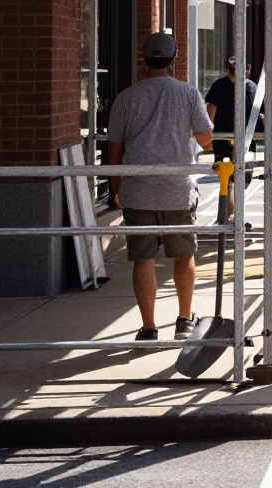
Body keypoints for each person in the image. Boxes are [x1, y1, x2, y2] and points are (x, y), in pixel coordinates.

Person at [107, 32, 213, 342]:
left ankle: (149, 327)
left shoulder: (126, 97)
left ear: (145, 59)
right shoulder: (187, 93)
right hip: (177, 189)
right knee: (183, 255)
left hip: (138, 189)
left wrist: (116, 189)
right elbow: (205, 138)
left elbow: (115, 149)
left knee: (143, 259)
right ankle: (184, 320)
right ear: (173, 59)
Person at [204, 57, 260, 185]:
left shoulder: (218, 86)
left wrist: (208, 140)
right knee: (241, 182)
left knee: (227, 182)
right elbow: (259, 115)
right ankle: (232, 203)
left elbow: (209, 117)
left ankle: (229, 201)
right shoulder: (253, 88)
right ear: (247, 70)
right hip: (245, 143)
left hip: (222, 142)